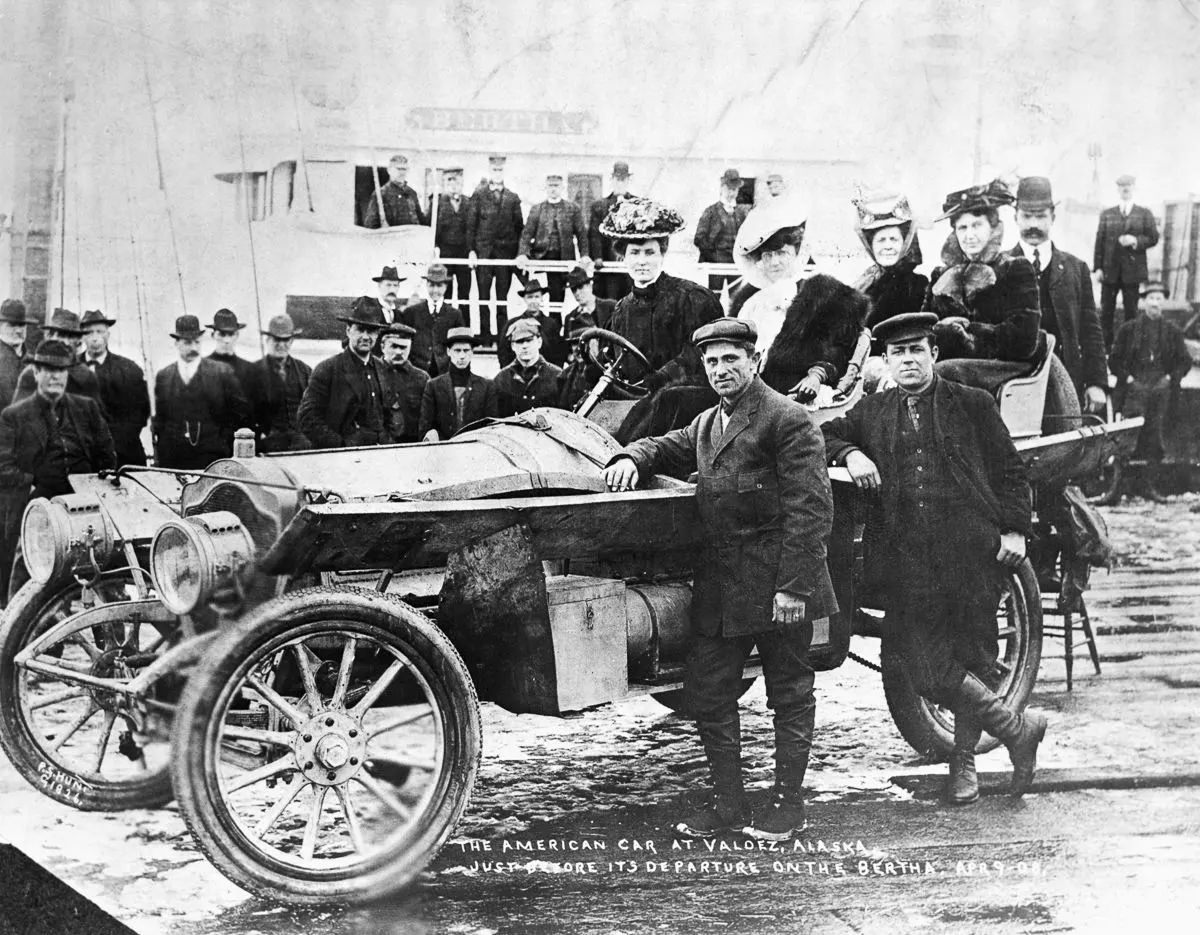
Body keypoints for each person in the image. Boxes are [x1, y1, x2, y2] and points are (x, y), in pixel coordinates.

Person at [602, 317, 835, 839]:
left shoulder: (787, 419)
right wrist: (629, 455)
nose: (721, 369)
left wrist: (794, 588)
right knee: (710, 695)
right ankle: (729, 804)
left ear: (755, 361)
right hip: (723, 587)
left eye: (732, 358)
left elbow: (811, 510)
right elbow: (664, 445)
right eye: (711, 361)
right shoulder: (708, 423)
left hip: (779, 585)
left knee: (789, 694)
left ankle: (788, 806)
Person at [821, 312, 1046, 805]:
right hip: (907, 559)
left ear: (934, 356)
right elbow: (825, 434)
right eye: (898, 352)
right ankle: (1016, 729)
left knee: (974, 655)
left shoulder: (973, 404)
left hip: (969, 552)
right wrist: (850, 455)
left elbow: (1011, 470)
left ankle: (962, 763)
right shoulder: (873, 412)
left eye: (917, 350)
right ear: (885, 361)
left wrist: (1014, 528)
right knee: (916, 664)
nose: (908, 360)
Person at [0, 340, 117, 601]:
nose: (56, 376)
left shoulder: (86, 408)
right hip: (41, 503)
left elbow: (106, 456)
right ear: (36, 372)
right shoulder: (14, 416)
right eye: (49, 370)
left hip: (84, 503)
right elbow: (3, 467)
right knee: (29, 567)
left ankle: (114, 633)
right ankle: (20, 634)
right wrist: (31, 486)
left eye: (61, 370)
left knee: (108, 566)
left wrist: (98, 487)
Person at [598, 196, 723, 440]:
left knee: (665, 399)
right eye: (635, 253)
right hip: (635, 400)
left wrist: (662, 377)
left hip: (684, 403)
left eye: (649, 252)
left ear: (662, 253)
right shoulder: (621, 310)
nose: (642, 261)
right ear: (623, 257)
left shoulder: (692, 298)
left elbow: (698, 355)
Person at [734, 201, 868, 404]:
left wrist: (816, 375)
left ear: (797, 254)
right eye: (767, 255)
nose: (774, 262)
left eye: (782, 253)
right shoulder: (752, 305)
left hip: (801, 391)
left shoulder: (821, 296)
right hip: (754, 392)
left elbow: (840, 349)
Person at [926, 179, 1042, 392]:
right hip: (958, 368)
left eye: (977, 225)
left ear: (993, 227)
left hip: (1003, 367)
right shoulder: (940, 277)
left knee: (944, 373)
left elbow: (1024, 339)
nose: (969, 235)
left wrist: (966, 333)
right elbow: (925, 329)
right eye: (962, 228)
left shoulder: (1014, 269)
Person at [1010, 177, 1107, 412]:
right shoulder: (1000, 267)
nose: (1033, 224)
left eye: (1041, 216)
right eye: (1026, 216)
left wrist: (1096, 383)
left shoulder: (1076, 269)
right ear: (1015, 217)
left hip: (1065, 384)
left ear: (1053, 217)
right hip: (1014, 385)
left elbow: (1091, 331)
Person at [1109, 281, 1192, 501]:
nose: (1155, 303)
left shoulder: (1172, 331)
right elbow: (1114, 360)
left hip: (1160, 390)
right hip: (1134, 388)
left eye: (1159, 298)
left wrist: (1169, 379)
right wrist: (1127, 379)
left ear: (1163, 302)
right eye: (1151, 298)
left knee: (1156, 438)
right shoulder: (1129, 329)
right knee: (1126, 437)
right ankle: (1115, 489)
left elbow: (1184, 361)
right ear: (1143, 301)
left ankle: (1149, 486)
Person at [298, 301, 399, 449]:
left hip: (378, 456)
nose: (365, 336)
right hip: (341, 458)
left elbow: (390, 414)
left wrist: (387, 440)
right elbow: (307, 419)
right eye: (360, 330)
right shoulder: (327, 370)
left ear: (377, 335)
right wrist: (341, 444)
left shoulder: (383, 369)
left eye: (371, 331)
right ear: (348, 330)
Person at [153, 315, 249, 469]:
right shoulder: (164, 376)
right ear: (176, 343)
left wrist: (223, 443)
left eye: (197, 342)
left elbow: (240, 415)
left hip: (213, 456)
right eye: (187, 342)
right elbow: (161, 419)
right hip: (174, 458)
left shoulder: (221, 372)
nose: (193, 348)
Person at [853, 192, 928, 346]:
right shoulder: (866, 282)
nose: (887, 246)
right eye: (881, 240)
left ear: (904, 244)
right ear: (871, 246)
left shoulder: (917, 285)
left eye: (893, 239)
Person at [1094, 174, 1160, 349]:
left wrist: (1136, 241)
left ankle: (1129, 350)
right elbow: (1099, 242)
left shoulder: (1144, 213)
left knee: (1131, 312)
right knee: (1106, 312)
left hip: (1132, 272)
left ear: (1134, 188)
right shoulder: (1107, 214)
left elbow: (1153, 238)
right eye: (1122, 186)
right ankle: (1105, 350)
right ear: (1118, 189)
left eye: (1128, 185)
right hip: (1110, 272)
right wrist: (1098, 268)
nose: (1125, 189)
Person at [79, 309, 150, 467]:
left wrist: (114, 443)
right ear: (82, 336)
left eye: (100, 332)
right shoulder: (70, 370)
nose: (95, 338)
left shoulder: (129, 369)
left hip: (123, 453)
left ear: (108, 335)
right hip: (83, 456)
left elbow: (140, 413)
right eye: (89, 333)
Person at [468, 155, 524, 345]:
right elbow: (471, 226)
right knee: (483, 298)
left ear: (504, 172)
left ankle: (501, 338)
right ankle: (485, 338)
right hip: (484, 255)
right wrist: (472, 251)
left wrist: (518, 255)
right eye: (494, 170)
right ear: (489, 171)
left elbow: (519, 229)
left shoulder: (512, 198)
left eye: (500, 170)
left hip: (504, 256)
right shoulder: (478, 195)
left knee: (502, 299)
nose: (497, 173)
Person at [517, 172, 589, 304]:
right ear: (546, 187)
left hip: (564, 258)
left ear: (562, 187)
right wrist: (523, 254)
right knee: (537, 294)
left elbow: (582, 235)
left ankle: (556, 322)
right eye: (550, 186)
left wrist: (584, 255)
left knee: (558, 298)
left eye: (556, 186)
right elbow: (526, 234)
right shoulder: (537, 209)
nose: (553, 189)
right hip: (541, 258)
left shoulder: (572, 208)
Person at [244, 313, 312, 453]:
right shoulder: (252, 372)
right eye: (276, 339)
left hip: (301, 446)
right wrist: (259, 435)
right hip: (267, 446)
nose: (281, 345)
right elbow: (244, 415)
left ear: (292, 341)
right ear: (268, 340)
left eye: (286, 339)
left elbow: (313, 409)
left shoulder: (305, 371)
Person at [12, 308, 104, 410]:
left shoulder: (87, 376)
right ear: (50, 336)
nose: (66, 342)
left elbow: (97, 419)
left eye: (71, 336)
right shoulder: (32, 373)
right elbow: (18, 416)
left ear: (78, 341)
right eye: (62, 335)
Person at [418, 327, 498, 441]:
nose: (462, 356)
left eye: (466, 350)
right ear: (448, 352)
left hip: (475, 449)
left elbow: (492, 427)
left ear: (472, 352)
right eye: (457, 350)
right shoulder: (433, 386)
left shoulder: (486, 387)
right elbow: (425, 427)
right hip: (443, 450)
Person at [400, 263, 465, 377]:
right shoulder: (412, 312)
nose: (435, 290)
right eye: (431, 285)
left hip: (444, 373)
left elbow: (460, 346)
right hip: (417, 372)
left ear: (445, 287)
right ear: (426, 285)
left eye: (439, 286)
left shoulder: (455, 315)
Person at [493, 318, 564, 417]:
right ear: (513, 346)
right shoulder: (502, 379)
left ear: (539, 342)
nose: (525, 346)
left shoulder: (557, 376)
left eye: (529, 340)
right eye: (519, 342)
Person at [694, 168, 750, 293]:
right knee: (714, 297)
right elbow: (699, 238)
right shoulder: (711, 211)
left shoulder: (742, 213)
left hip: (736, 264)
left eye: (734, 190)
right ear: (722, 188)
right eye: (729, 189)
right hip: (716, 263)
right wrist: (713, 257)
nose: (731, 193)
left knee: (735, 297)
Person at [430, 167, 474, 318]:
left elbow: (472, 228)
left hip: (463, 254)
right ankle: (444, 329)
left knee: (464, 296)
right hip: (445, 253)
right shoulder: (437, 202)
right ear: (444, 183)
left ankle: (464, 330)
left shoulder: (469, 202)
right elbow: (431, 227)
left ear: (461, 182)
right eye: (449, 180)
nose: (453, 184)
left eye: (456, 180)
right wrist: (435, 247)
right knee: (445, 294)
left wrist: (472, 251)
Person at [588, 161, 634, 300]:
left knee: (631, 302)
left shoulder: (636, 204)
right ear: (612, 180)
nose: (620, 183)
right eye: (617, 179)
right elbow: (594, 234)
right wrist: (597, 257)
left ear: (628, 181)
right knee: (609, 303)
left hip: (629, 265)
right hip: (608, 266)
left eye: (623, 179)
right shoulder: (600, 206)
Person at [497, 275, 565, 369]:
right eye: (530, 297)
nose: (533, 301)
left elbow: (558, 353)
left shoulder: (551, 324)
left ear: (542, 298)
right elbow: (503, 352)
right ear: (524, 299)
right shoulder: (513, 323)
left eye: (537, 297)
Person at [379, 324, 428, 443]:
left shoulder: (421, 378)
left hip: (411, 445)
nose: (399, 352)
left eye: (403, 348)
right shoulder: (372, 373)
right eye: (394, 346)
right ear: (382, 346)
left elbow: (428, 418)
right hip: (377, 447)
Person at [363, 153, 426, 228]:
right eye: (398, 169)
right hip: (393, 237)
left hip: (412, 237)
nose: (402, 173)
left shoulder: (411, 193)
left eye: (404, 169)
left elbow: (420, 220)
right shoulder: (381, 194)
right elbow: (370, 224)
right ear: (389, 170)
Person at [205, 308, 255, 391]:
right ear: (213, 335)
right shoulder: (203, 368)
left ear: (237, 335)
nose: (226, 340)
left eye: (231, 334)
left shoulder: (249, 369)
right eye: (222, 334)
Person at [0, 298, 29, 409]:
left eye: (22, 325)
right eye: (12, 325)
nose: (18, 330)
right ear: (0, 325)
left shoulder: (33, 361)